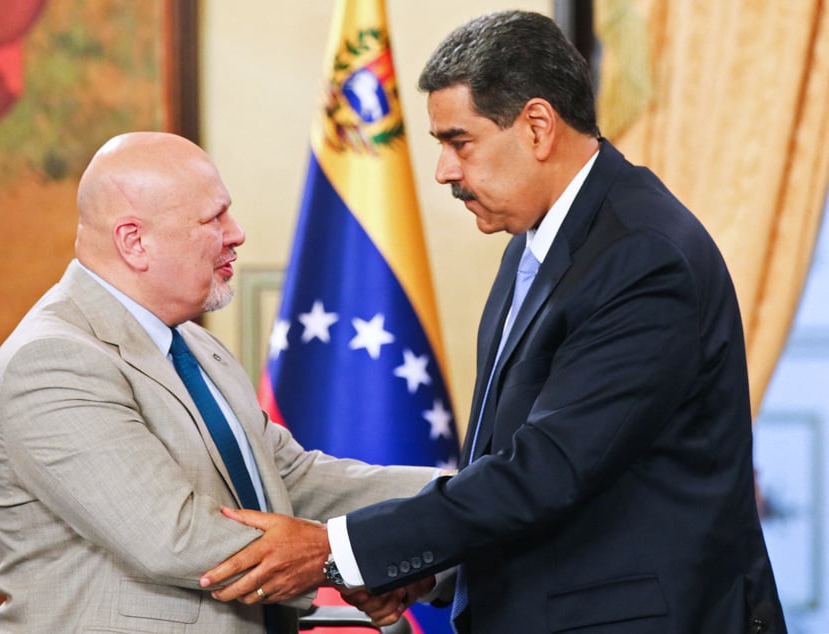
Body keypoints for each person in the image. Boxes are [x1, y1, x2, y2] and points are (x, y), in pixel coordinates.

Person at [200, 10, 787, 633]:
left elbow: (548, 469)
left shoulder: (641, 255)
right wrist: (429, 566)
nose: (444, 171)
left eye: (459, 141)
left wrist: (336, 550)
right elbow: (505, 462)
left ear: (537, 126)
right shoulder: (537, 240)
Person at [0, 131, 439, 633]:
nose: (236, 232)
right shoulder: (52, 360)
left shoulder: (197, 347)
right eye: (213, 218)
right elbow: (172, 536)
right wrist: (349, 559)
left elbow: (290, 480)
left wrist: (466, 497)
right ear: (134, 242)